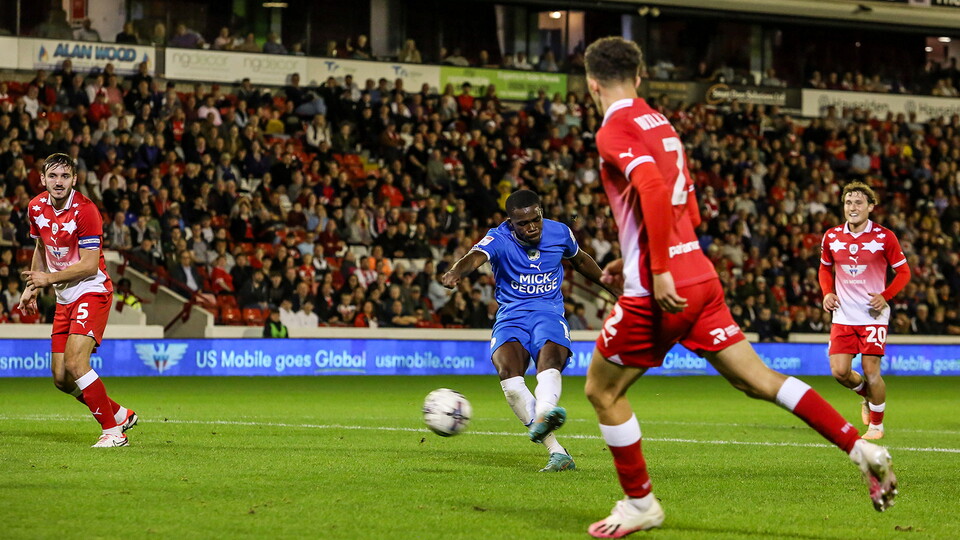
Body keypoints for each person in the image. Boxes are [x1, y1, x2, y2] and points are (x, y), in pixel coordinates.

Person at [580, 37, 897, 537]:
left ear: (591, 83)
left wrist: (656, 267)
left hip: (661, 290)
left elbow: (654, 189)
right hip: (700, 276)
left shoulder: (613, 128)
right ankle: (861, 449)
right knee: (759, 380)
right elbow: (688, 208)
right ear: (639, 77)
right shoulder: (659, 122)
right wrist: (637, 255)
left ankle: (640, 503)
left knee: (602, 390)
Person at [442, 189, 617, 472]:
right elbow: (475, 256)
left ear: (541, 213)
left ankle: (545, 412)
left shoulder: (560, 232)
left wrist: (614, 289)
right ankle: (557, 452)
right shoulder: (498, 238)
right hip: (511, 316)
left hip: (548, 312)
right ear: (510, 222)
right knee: (509, 379)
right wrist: (456, 272)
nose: (532, 227)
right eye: (522, 224)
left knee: (550, 359)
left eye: (536, 220)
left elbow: (581, 260)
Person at [18, 153, 137, 447]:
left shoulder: (86, 211)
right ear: (42, 179)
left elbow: (90, 265)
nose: (59, 182)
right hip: (64, 296)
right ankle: (118, 414)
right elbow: (41, 247)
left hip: (91, 290)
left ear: (75, 179)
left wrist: (48, 279)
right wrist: (33, 285)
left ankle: (113, 433)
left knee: (75, 362)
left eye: (65, 176)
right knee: (61, 378)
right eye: (53, 176)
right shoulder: (35, 207)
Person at [819, 181, 910, 441]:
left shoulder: (884, 236)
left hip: (873, 315)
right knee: (839, 372)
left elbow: (904, 272)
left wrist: (885, 296)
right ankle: (865, 395)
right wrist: (827, 292)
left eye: (859, 202)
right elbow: (825, 268)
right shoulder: (832, 236)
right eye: (848, 202)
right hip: (843, 315)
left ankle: (876, 427)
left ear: (871, 207)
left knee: (871, 370)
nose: (853, 207)